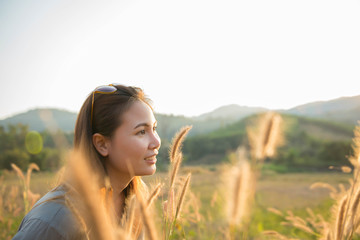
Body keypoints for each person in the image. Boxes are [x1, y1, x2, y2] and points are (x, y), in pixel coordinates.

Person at [12, 84, 161, 240]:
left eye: (154, 128)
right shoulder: (54, 221)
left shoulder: (136, 201)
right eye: (141, 132)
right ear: (102, 144)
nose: (156, 141)